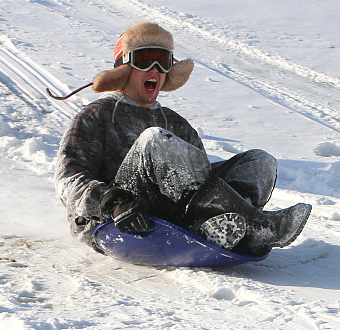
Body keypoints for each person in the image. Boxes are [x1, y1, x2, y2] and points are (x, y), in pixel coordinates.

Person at [54, 21, 311, 254]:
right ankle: (257, 226)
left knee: (259, 162)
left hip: (173, 214)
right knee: (155, 140)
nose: (154, 69)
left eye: (163, 62)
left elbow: (202, 179)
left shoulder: (176, 123)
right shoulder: (96, 115)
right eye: (145, 60)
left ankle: (223, 226)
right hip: (120, 218)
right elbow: (67, 178)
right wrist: (112, 202)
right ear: (124, 69)